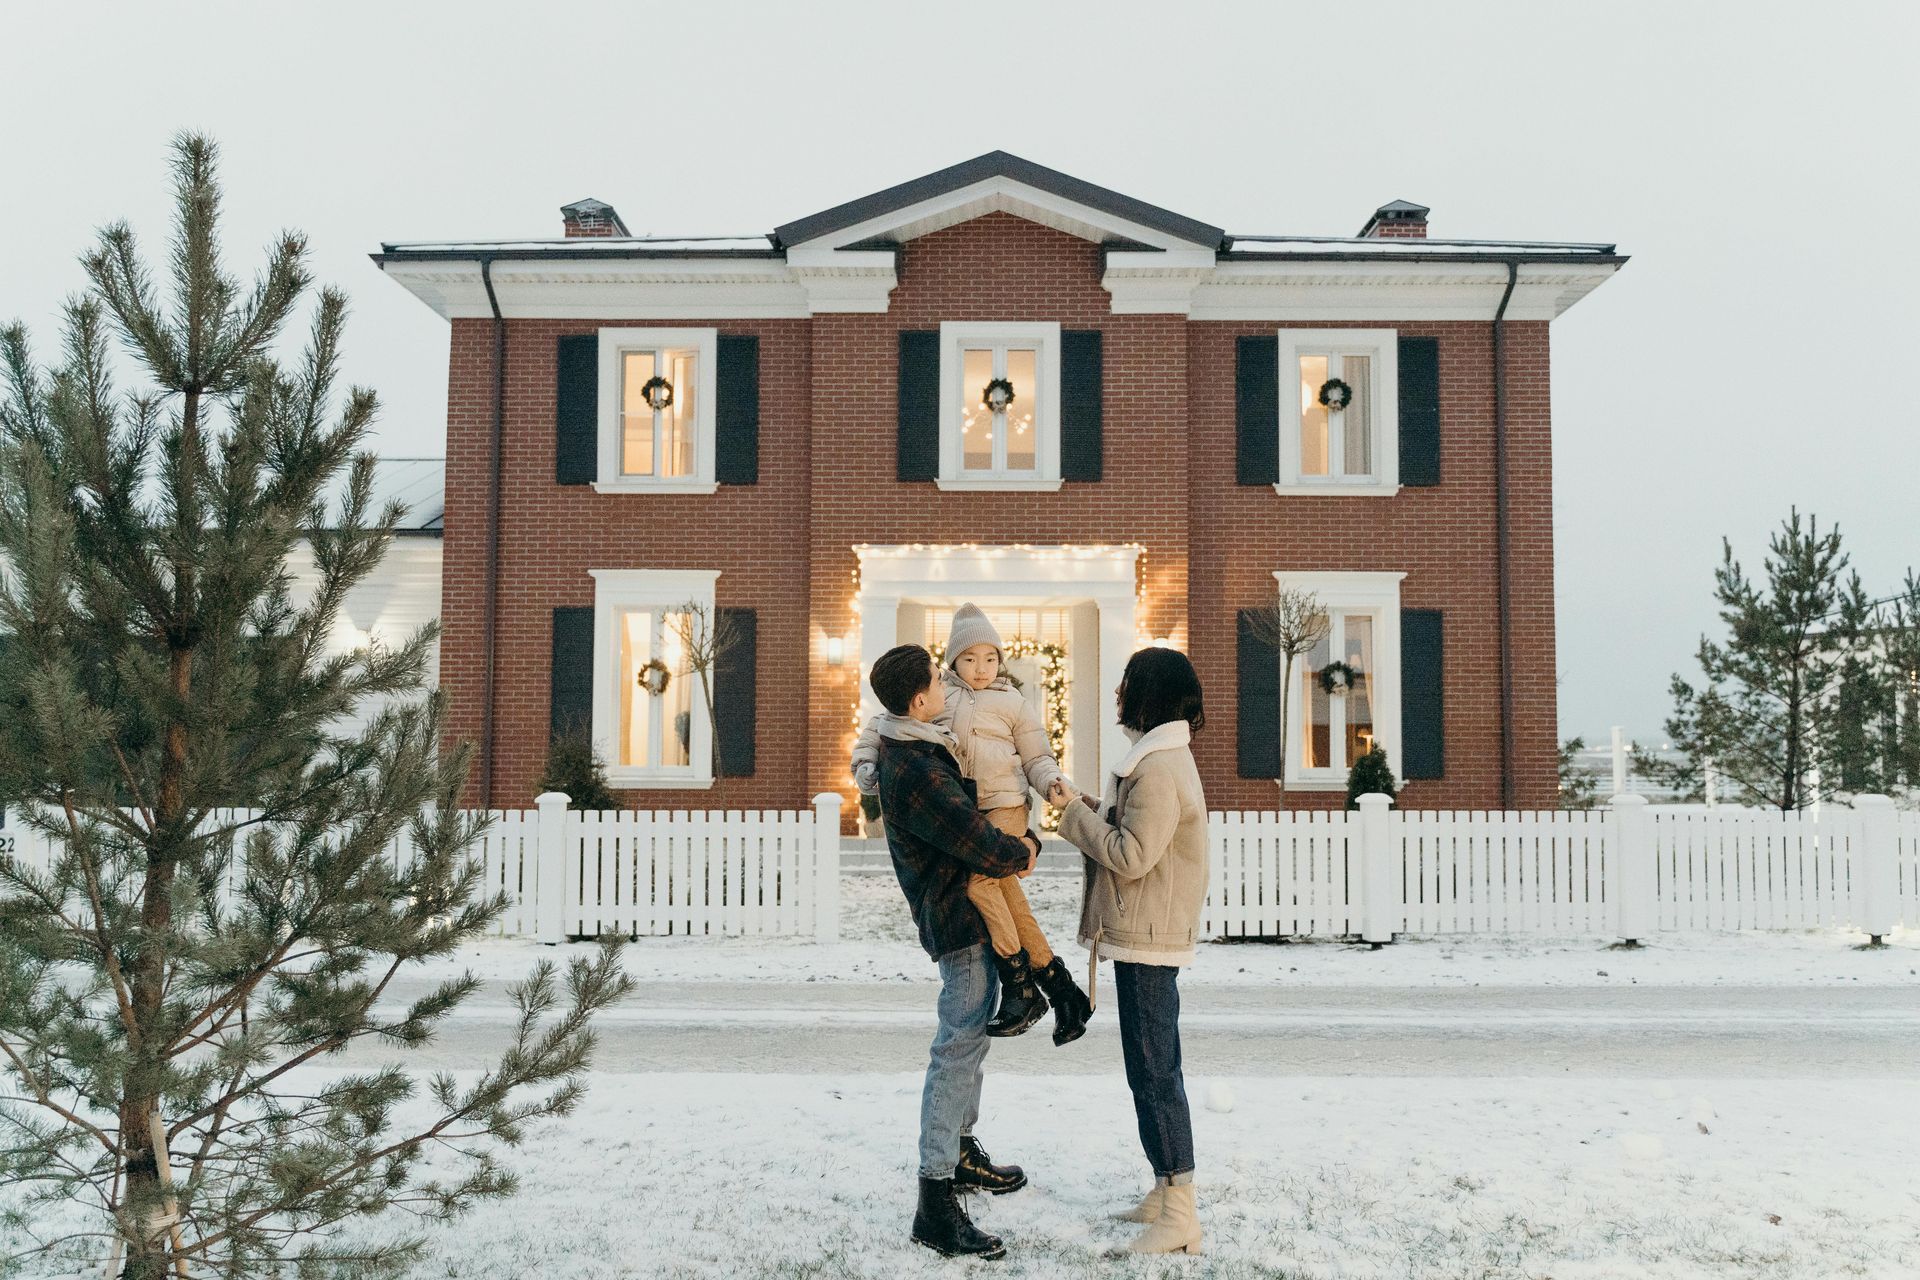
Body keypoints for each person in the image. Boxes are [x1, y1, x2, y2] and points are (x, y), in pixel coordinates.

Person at [868, 642, 1045, 1260]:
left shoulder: (919, 744)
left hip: (966, 913)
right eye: (938, 684)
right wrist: (1026, 851)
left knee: (969, 1042)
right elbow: (974, 839)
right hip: (955, 919)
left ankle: (962, 1154)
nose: (949, 689)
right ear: (919, 700)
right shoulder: (915, 767)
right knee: (956, 1048)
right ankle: (934, 1201)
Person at [852, 604, 1093, 1045]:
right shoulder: (942, 695)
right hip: (968, 811)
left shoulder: (1015, 702)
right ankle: (1063, 991)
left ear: (1000, 659)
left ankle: (1020, 984)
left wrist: (1052, 784)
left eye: (989, 658)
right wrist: (865, 763)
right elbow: (881, 723)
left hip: (1003, 806)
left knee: (982, 886)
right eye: (969, 659)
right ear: (952, 662)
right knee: (1013, 904)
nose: (980, 668)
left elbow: (1037, 756)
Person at [1048, 647, 1211, 1256]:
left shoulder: (1160, 768)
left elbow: (1131, 855)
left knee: (1155, 1072)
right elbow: (1133, 829)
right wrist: (1086, 803)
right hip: (1145, 932)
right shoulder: (1158, 761)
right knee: (1148, 1068)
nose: (1117, 695)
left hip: (1149, 936)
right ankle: (1165, 1189)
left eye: (1124, 686)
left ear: (1146, 695)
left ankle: (1181, 1211)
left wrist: (1071, 818)